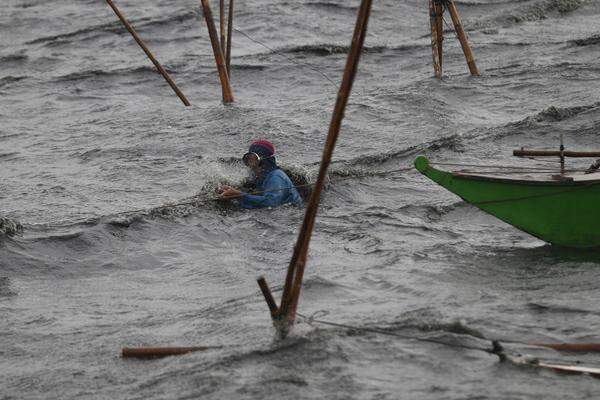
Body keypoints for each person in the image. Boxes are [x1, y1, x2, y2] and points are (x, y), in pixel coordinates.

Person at [219, 140, 303, 209]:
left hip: (290, 213)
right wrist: (229, 190)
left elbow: (271, 203)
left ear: (264, 160)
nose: (250, 163)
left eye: (253, 159)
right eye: (248, 159)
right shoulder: (258, 175)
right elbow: (246, 189)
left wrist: (239, 195)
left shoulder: (276, 177)